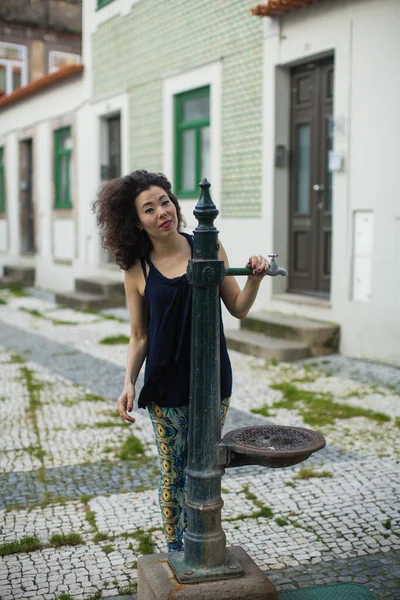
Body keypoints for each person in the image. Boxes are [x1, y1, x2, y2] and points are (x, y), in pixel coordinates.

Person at [93, 170, 269, 552]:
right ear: (136, 221)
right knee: (175, 471)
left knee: (205, 466)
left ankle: (205, 544)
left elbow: (237, 308)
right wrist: (128, 383)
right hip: (165, 384)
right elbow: (139, 335)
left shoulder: (208, 247)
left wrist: (255, 277)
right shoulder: (136, 270)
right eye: (149, 208)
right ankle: (178, 549)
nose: (161, 212)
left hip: (212, 380)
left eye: (165, 201)